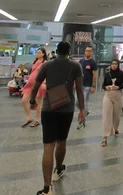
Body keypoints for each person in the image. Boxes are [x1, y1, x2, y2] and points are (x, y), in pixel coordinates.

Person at [30, 41, 85, 195]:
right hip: (66, 109)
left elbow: (36, 84)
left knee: (48, 146)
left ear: (57, 51)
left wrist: (32, 100)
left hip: (49, 108)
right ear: (69, 51)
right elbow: (79, 89)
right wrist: (82, 109)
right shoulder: (75, 66)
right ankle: (58, 169)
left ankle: (47, 188)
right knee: (62, 141)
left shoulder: (47, 65)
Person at [21, 48, 48, 127]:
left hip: (39, 84)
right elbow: (33, 73)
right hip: (30, 84)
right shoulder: (35, 62)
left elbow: (46, 73)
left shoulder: (45, 63)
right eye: (37, 52)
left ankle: (37, 119)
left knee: (38, 102)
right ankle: (29, 117)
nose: (37, 54)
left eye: (39, 53)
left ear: (43, 54)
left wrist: (44, 82)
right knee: (24, 100)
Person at [101, 59, 123, 147]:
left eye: (116, 64)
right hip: (108, 95)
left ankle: (116, 128)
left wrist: (118, 87)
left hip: (118, 95)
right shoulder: (107, 74)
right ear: (110, 65)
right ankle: (104, 137)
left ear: (118, 65)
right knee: (106, 115)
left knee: (116, 115)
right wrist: (106, 87)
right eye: (112, 64)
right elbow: (103, 85)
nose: (114, 65)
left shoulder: (121, 74)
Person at [77, 45, 97, 130]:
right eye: (86, 50)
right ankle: (86, 111)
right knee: (77, 103)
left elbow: (94, 75)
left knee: (83, 102)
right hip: (80, 85)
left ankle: (82, 121)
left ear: (91, 52)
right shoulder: (81, 61)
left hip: (87, 86)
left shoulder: (92, 62)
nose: (88, 52)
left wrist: (93, 86)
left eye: (89, 51)